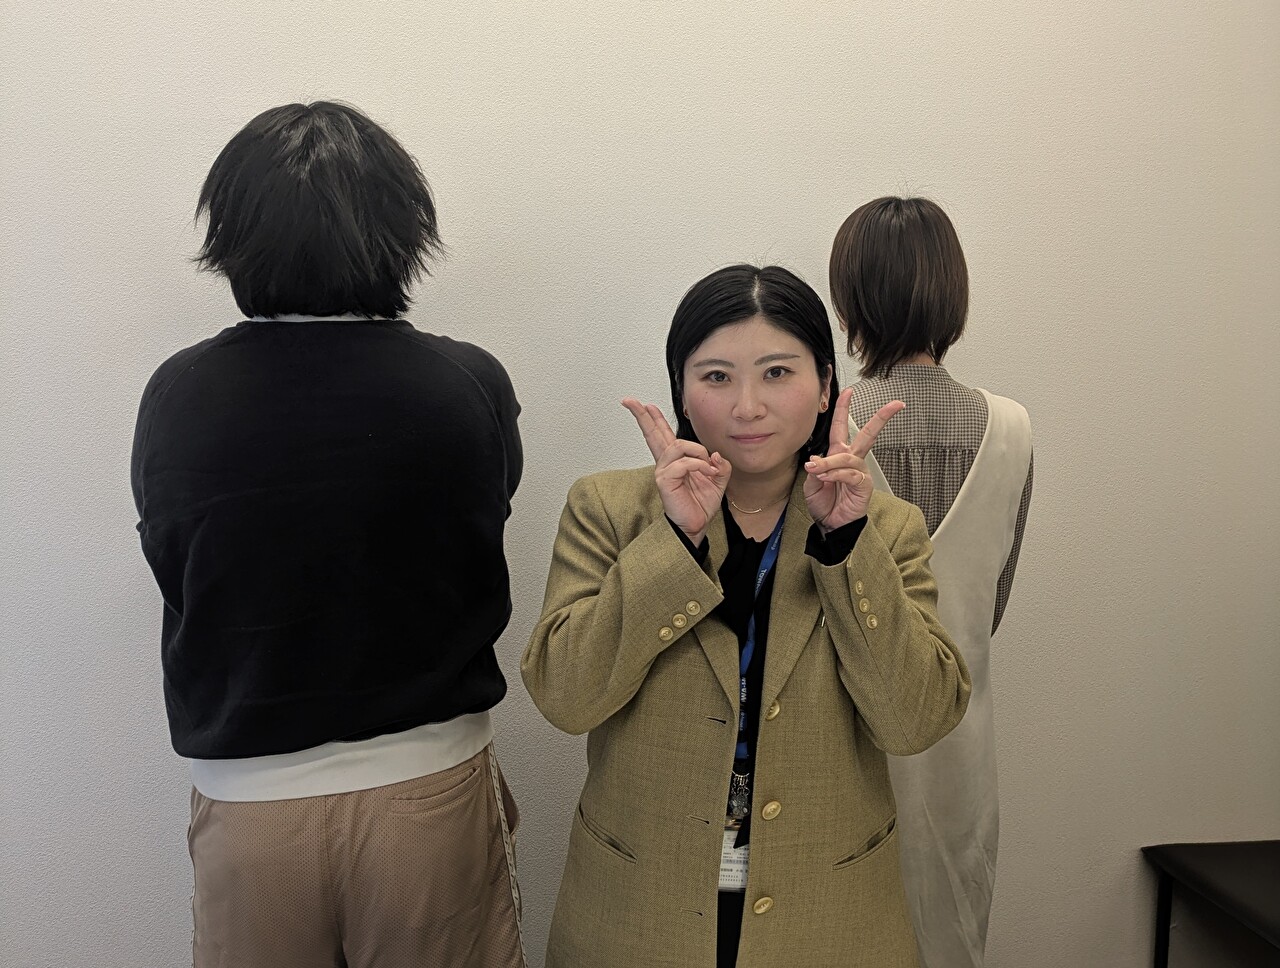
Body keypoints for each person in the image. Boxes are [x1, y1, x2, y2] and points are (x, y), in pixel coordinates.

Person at [131, 102, 526, 968]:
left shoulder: (177, 394)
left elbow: (174, 556)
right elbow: (481, 521)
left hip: (248, 800)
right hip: (426, 784)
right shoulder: (467, 382)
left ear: (233, 236)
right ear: (402, 231)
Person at [522, 264, 971, 968]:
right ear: (681, 389)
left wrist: (847, 543)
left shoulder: (886, 528)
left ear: (824, 385)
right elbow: (565, 696)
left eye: (777, 373)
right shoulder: (608, 509)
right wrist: (674, 541)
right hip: (640, 911)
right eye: (717, 376)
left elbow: (915, 721)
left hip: (830, 914)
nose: (748, 407)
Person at [829, 196, 1034, 968]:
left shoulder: (829, 428)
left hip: (848, 747)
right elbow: (989, 605)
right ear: (954, 292)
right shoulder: (1012, 429)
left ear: (851, 300)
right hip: (961, 750)